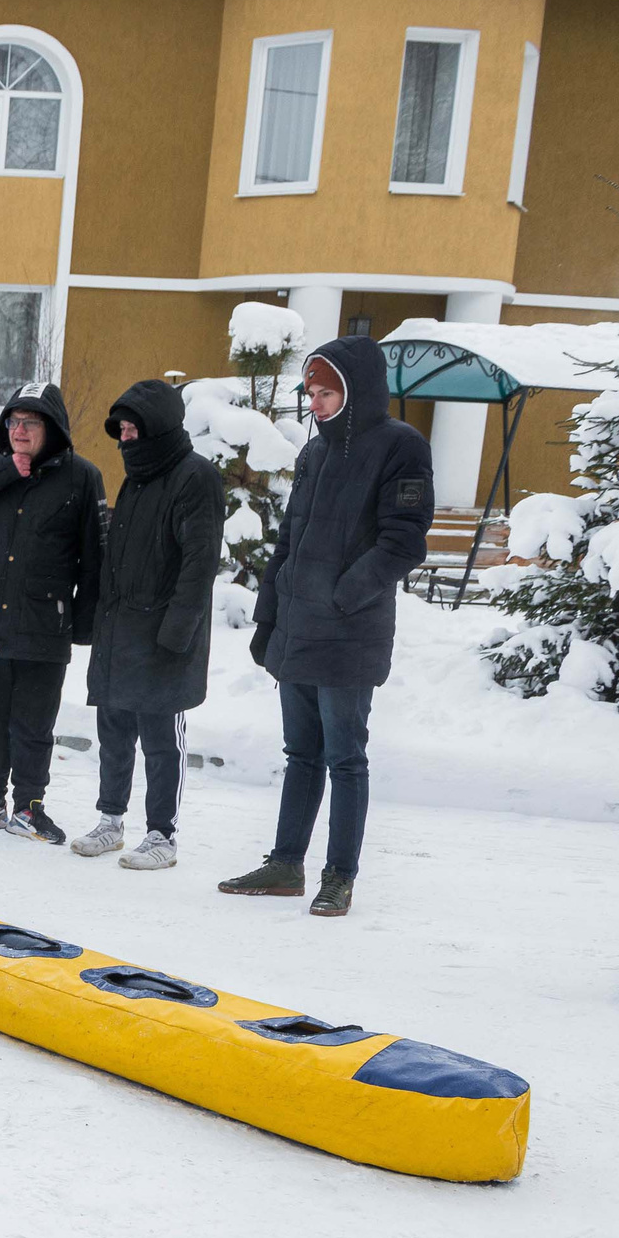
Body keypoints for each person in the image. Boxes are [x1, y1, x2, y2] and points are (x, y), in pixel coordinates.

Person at [217, 338, 431, 917]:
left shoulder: (400, 447)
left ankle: (340, 875)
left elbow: (404, 542)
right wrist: (270, 613)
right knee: (300, 754)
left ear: (356, 390)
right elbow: (289, 539)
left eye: (326, 391)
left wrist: (342, 597)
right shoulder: (313, 453)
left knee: (345, 757)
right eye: (310, 391)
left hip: (348, 630)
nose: (314, 402)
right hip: (297, 625)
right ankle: (286, 864)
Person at [0, 383, 105, 844]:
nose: (19, 430)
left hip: (42, 624)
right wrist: (6, 472)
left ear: (52, 428)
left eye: (30, 422)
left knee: (33, 723)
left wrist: (85, 626)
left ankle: (30, 806)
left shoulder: (82, 478)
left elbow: (94, 557)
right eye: (12, 421)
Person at [70, 380, 225, 869]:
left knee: (161, 742)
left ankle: (162, 835)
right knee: (114, 735)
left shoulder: (194, 477)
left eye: (134, 428)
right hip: (120, 634)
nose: (126, 438)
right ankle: (111, 821)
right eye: (122, 430)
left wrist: (177, 634)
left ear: (158, 426)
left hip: (163, 638)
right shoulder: (136, 478)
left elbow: (199, 564)